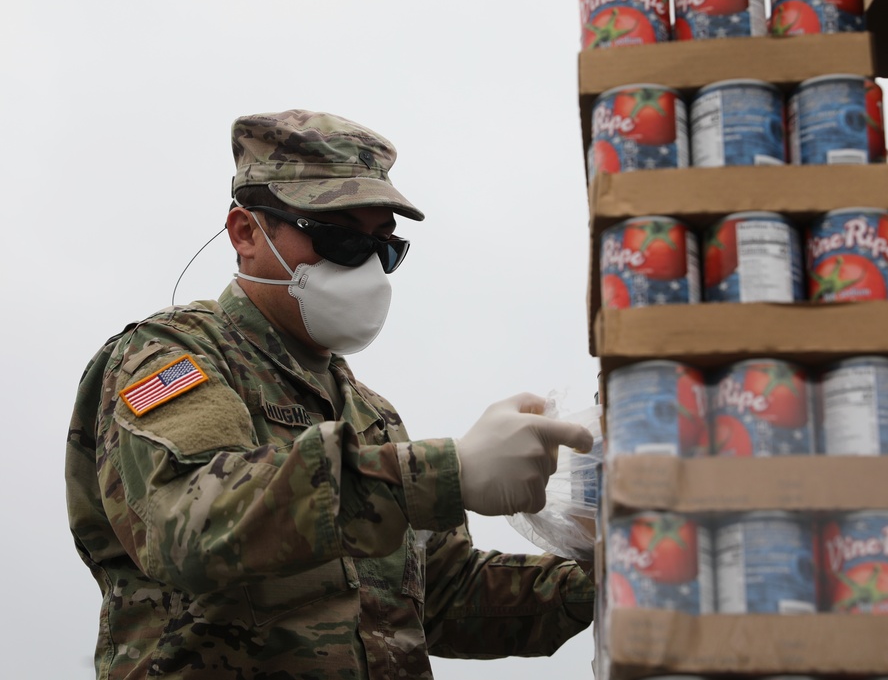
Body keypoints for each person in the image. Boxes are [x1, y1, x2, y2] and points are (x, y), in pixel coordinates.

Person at [66, 109, 596, 679]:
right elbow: (190, 523)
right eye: (342, 239)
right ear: (246, 232)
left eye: (384, 246)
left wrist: (616, 569)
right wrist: (447, 471)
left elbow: (441, 597)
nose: (368, 266)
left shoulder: (371, 417)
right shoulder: (173, 355)